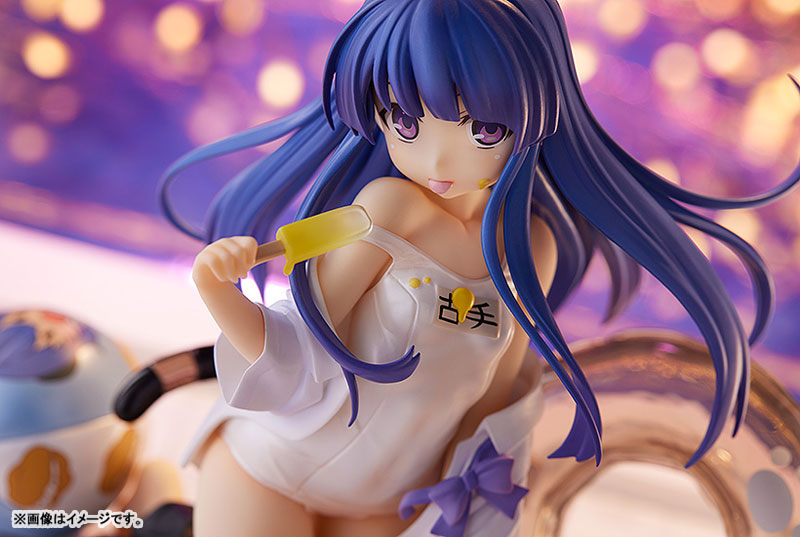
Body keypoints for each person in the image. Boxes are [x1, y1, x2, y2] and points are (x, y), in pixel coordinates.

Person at [158, 0, 800, 535]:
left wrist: (470, 492)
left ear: (534, 115)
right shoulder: (387, 209)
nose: (439, 159)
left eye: (482, 130)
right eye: (404, 120)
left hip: (391, 502)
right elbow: (300, 345)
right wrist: (218, 288)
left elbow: (496, 400)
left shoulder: (531, 248)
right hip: (275, 468)